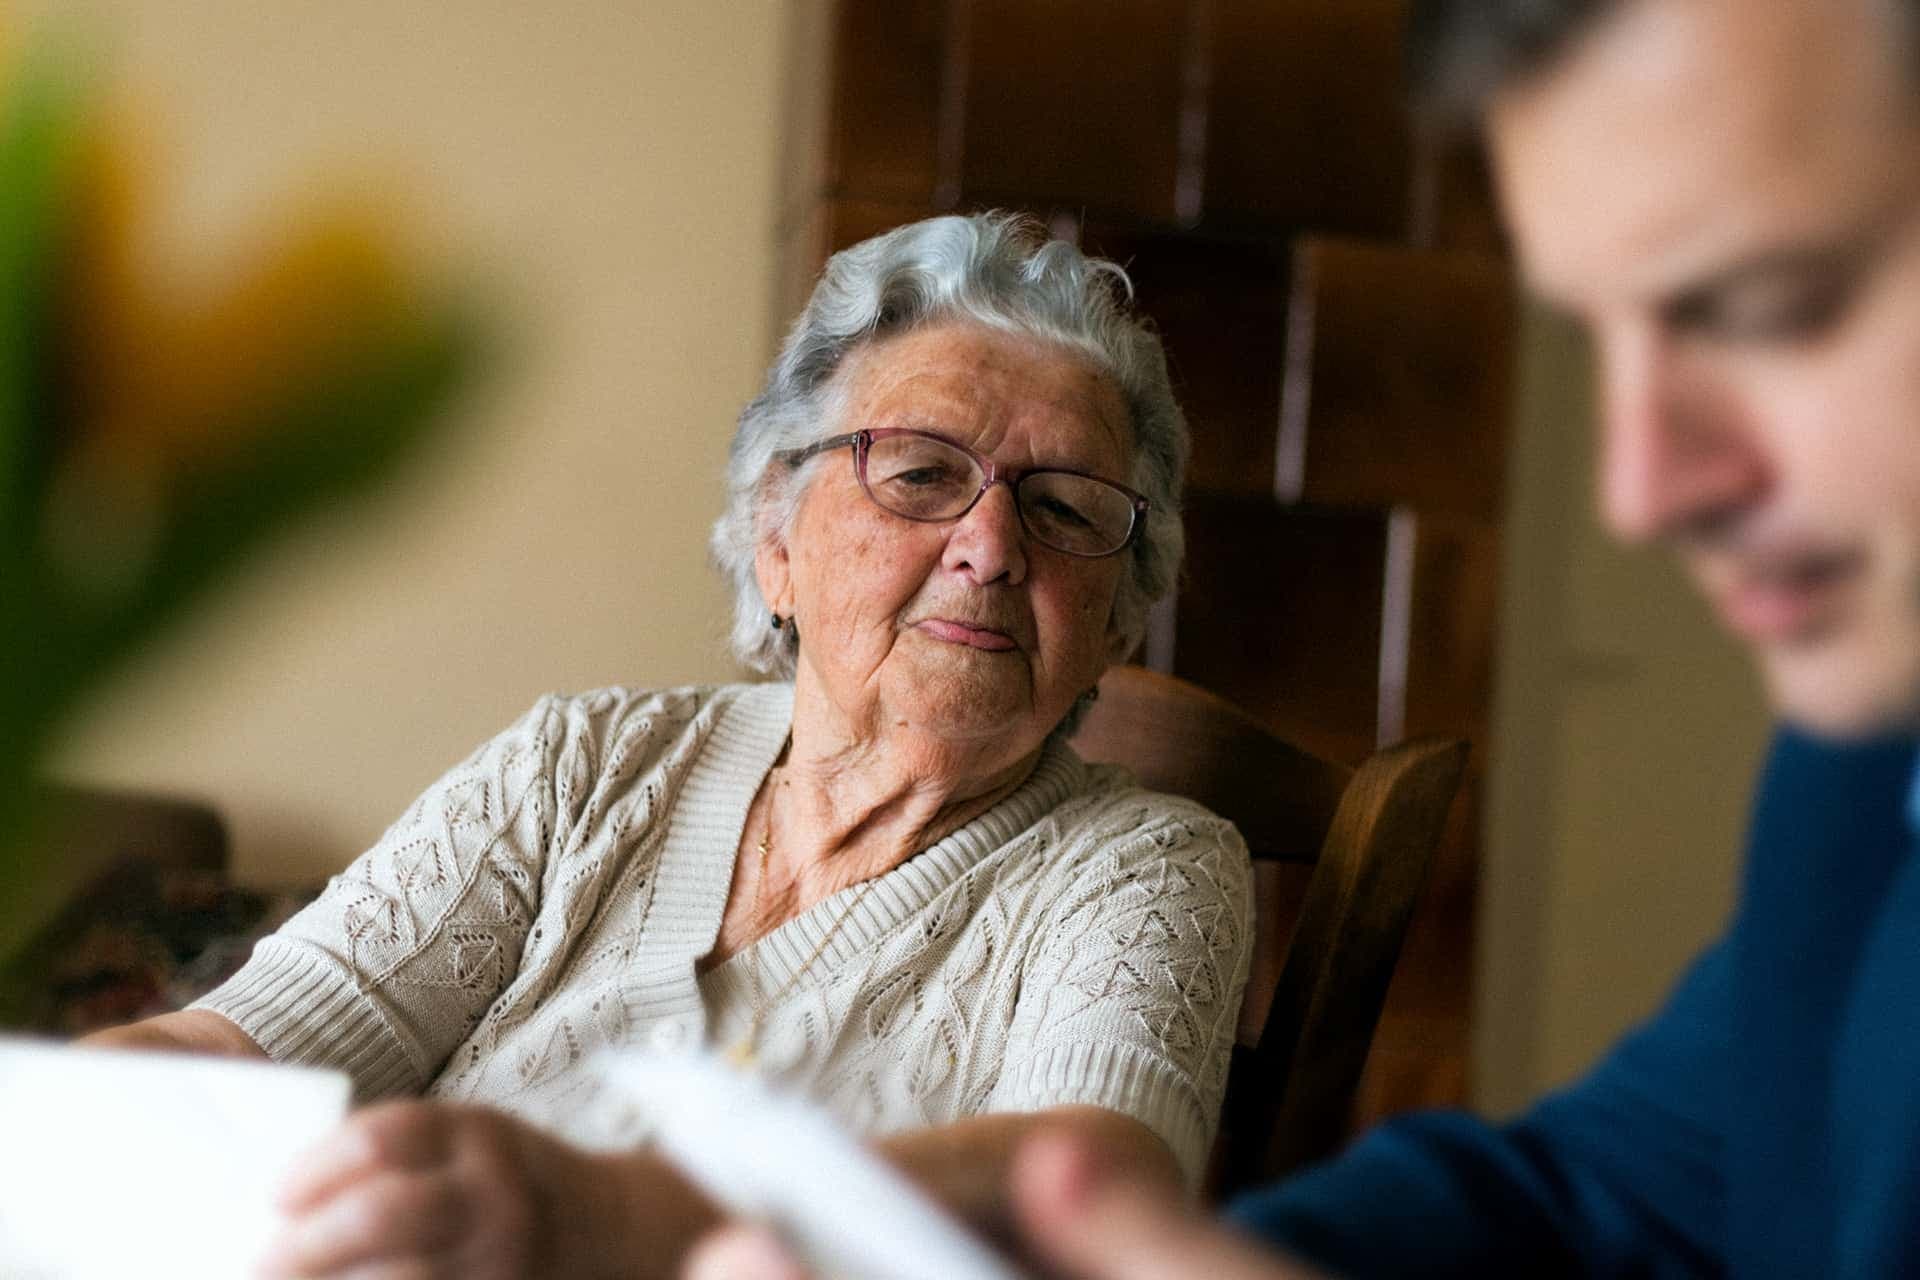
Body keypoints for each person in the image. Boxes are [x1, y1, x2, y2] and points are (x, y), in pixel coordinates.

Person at [695, 0, 1920, 1275]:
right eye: (1602, 338)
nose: (1641, 488)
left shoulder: (1139, 872)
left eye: (1771, 304)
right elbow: (1610, 1188)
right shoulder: (1864, 773)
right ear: (772, 535)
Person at [83, 212, 1254, 1278]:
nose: (990, 547)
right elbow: (240, 1047)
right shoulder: (581, 762)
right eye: (921, 474)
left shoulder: (1147, 866)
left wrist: (591, 1212)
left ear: (1116, 622)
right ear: (777, 539)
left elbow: (1089, 1193)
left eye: (1063, 508)